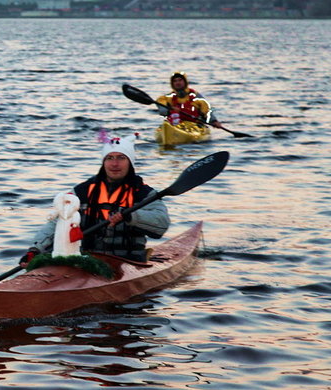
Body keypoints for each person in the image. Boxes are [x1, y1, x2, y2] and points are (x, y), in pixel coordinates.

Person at [20, 133, 170, 266]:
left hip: (128, 261)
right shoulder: (82, 191)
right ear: (103, 162)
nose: (114, 164)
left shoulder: (143, 193)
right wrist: (35, 249)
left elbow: (162, 224)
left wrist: (131, 216)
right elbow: (57, 222)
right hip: (86, 259)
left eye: (121, 158)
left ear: (130, 162)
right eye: (109, 158)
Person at [155, 71, 222, 129]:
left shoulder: (196, 97)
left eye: (180, 80)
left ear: (185, 82)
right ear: (172, 84)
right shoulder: (167, 98)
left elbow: (207, 111)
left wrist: (214, 121)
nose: (177, 83)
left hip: (194, 126)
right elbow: (162, 108)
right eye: (175, 81)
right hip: (174, 125)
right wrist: (169, 110)